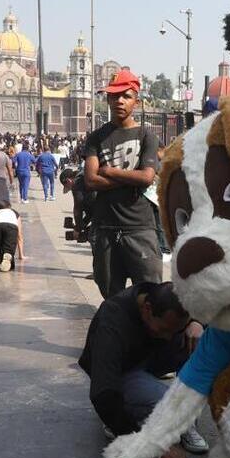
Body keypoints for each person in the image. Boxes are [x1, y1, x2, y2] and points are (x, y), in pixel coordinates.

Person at [78, 281, 208, 453]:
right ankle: (123, 416)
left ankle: (185, 423)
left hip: (150, 356)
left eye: (176, 328)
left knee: (196, 341)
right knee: (169, 402)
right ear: (147, 309)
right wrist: (136, 438)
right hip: (125, 370)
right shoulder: (112, 321)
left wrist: (197, 323)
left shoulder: (162, 300)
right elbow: (103, 393)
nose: (169, 337)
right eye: (164, 329)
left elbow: (208, 308)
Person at [81, 69, 163, 298]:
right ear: (107, 99)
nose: (119, 101)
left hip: (140, 227)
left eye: (126, 96)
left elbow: (147, 177)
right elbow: (90, 180)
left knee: (150, 295)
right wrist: (129, 178)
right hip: (105, 228)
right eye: (114, 96)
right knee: (111, 296)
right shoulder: (96, 137)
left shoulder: (147, 135)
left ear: (136, 101)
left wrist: (109, 171)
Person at [0, 201, 24, 271]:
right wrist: (21, 255)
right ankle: (7, 257)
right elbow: (19, 235)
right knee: (8, 249)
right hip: (10, 226)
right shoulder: (14, 213)